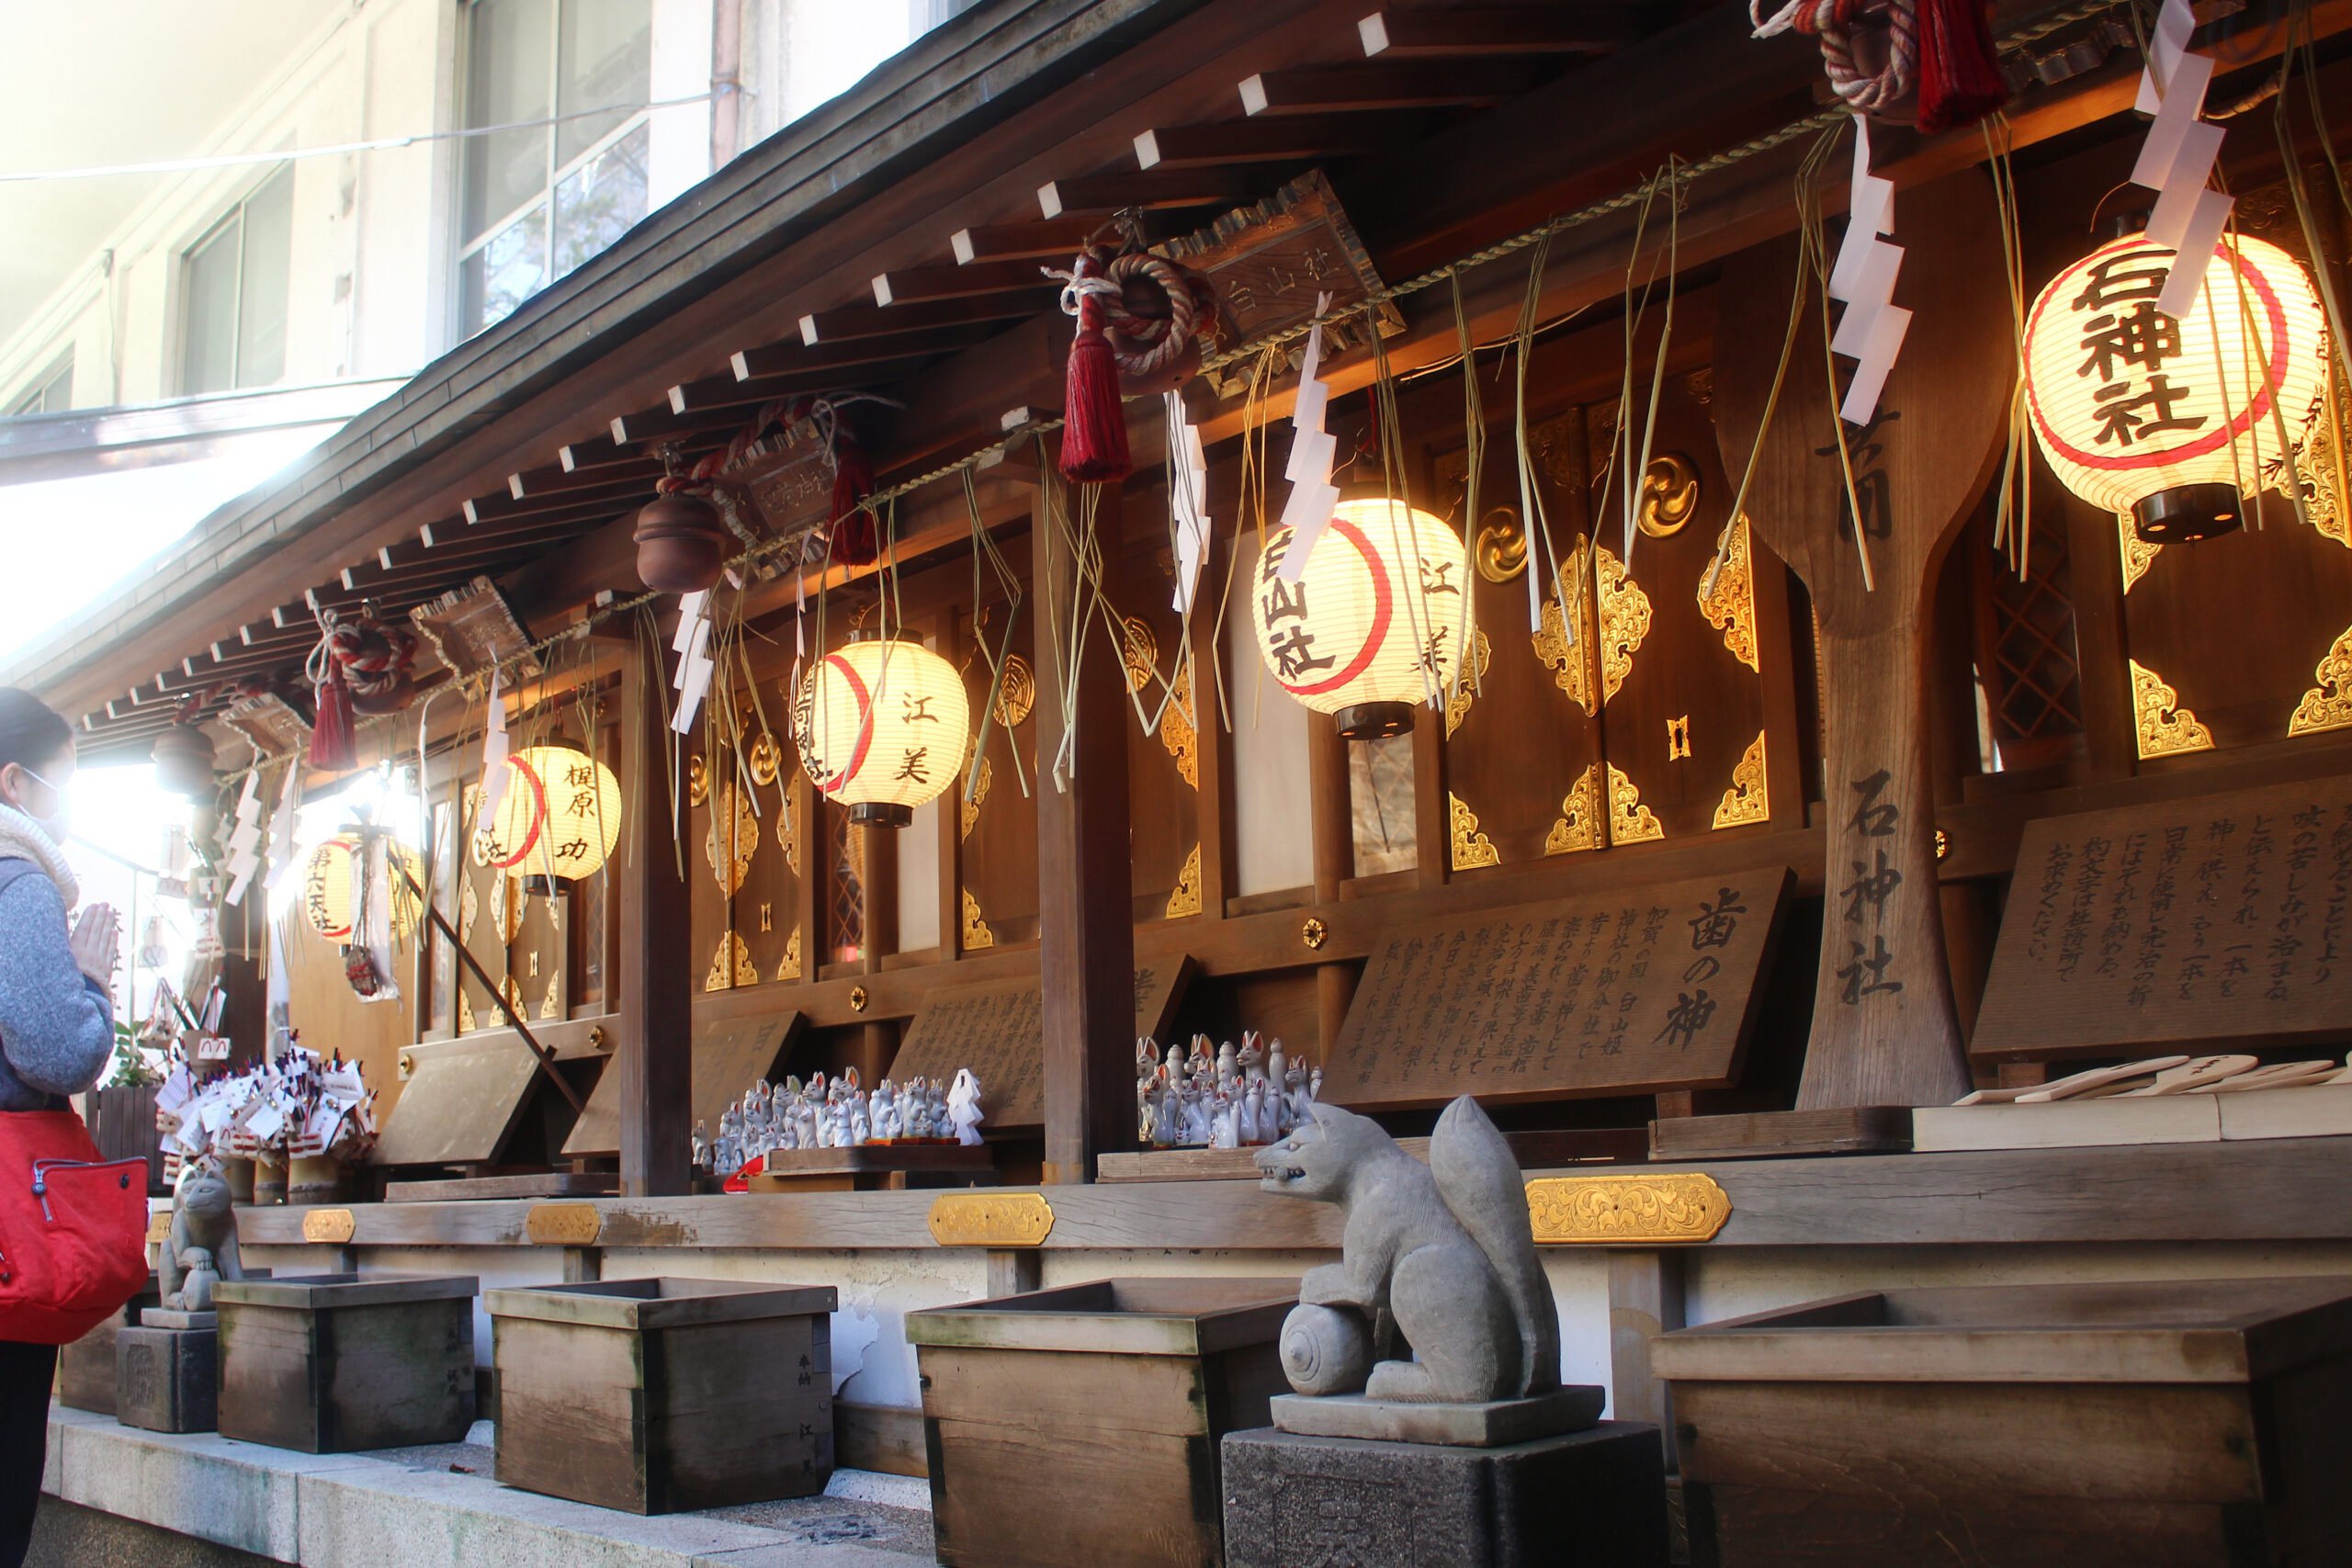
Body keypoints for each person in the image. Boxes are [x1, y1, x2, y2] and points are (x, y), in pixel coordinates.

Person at [0, 689, 119, 1568]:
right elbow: (57, 1047)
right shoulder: (15, 876)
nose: (70, 802)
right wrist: (90, 982)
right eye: (66, 780)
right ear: (16, 781)